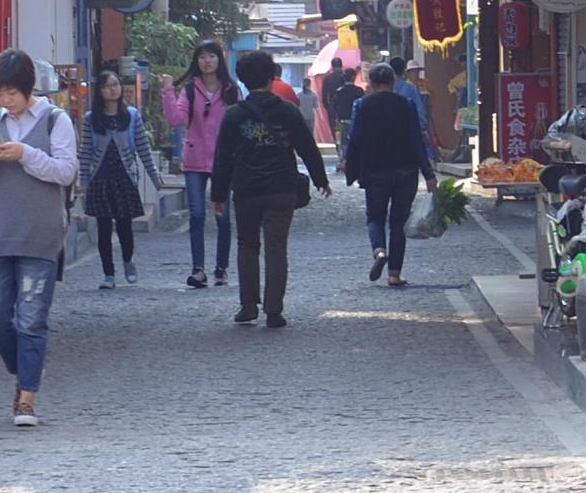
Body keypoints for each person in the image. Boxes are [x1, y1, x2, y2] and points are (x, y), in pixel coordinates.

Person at [0, 49, 78, 425]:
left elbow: (66, 172)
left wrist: (24, 153)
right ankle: (26, 370)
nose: (5, 100)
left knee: (31, 319)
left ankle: (27, 398)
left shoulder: (55, 120)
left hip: (40, 233)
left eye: (11, 93)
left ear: (27, 88)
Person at [213, 47, 331, 330]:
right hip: (281, 187)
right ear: (271, 78)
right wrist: (320, 180)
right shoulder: (288, 111)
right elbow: (307, 148)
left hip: (246, 188)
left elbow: (222, 159)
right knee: (276, 247)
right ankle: (274, 310)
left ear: (243, 80)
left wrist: (217, 195)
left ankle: (248, 305)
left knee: (247, 244)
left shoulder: (233, 116)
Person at [343, 47, 435, 285]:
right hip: (406, 172)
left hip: (375, 172)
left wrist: (351, 171)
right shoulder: (406, 105)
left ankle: (379, 250)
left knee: (374, 217)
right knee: (399, 222)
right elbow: (417, 140)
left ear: (371, 83)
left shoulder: (362, 106)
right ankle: (394, 273)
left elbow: (355, 140)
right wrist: (429, 174)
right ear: (393, 81)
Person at [167, 40, 233, 290]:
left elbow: (236, 123)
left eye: (211, 56)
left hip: (222, 161)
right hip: (194, 160)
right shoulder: (190, 90)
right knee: (196, 215)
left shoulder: (230, 90)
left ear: (219, 60)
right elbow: (176, 120)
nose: (207, 61)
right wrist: (167, 92)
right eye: (202, 57)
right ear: (197, 61)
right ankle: (198, 269)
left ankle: (221, 269)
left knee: (223, 217)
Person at [81, 70, 151, 282]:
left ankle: (128, 260)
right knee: (103, 227)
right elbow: (86, 150)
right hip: (100, 177)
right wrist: (83, 179)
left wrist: (154, 176)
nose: (113, 89)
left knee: (124, 225)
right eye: (107, 85)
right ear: (100, 91)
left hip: (124, 176)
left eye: (116, 84)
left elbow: (142, 147)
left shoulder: (131, 115)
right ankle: (108, 273)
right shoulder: (91, 118)